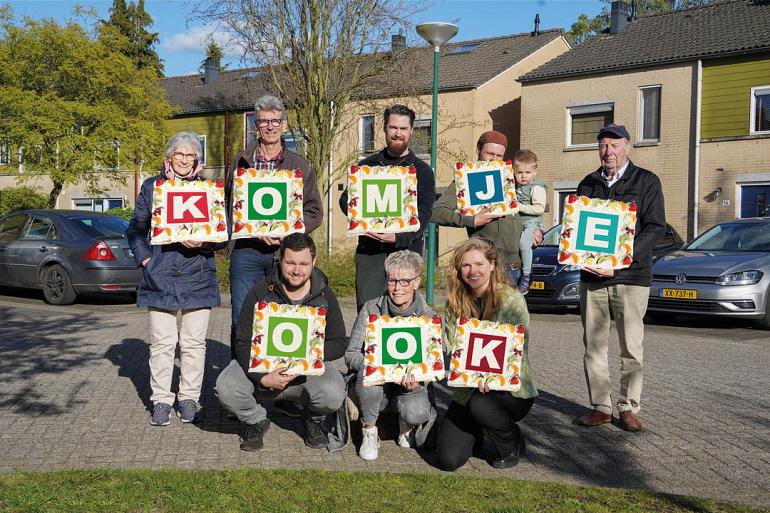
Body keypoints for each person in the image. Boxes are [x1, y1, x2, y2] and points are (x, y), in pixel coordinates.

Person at [215, 233, 347, 451]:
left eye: (303, 263)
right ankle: (255, 420)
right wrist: (262, 377)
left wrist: (304, 360)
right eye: (291, 263)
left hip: (305, 374)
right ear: (280, 260)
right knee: (225, 386)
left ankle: (313, 420)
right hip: (265, 371)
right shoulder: (259, 292)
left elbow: (339, 342)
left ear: (313, 262)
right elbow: (242, 342)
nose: (296, 270)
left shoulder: (325, 295)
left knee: (334, 390)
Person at [574, 123, 665, 432]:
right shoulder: (587, 184)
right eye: (603, 145)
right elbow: (575, 229)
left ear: (627, 147)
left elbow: (655, 228)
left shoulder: (647, 182)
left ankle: (627, 407)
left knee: (631, 347)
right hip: (592, 278)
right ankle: (600, 406)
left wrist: (619, 262)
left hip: (631, 277)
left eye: (614, 145)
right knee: (593, 346)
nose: (608, 150)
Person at [127, 131, 222, 426]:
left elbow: (222, 233)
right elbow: (135, 230)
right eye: (178, 154)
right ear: (169, 158)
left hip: (199, 274)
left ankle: (189, 397)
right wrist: (147, 260)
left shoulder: (209, 189)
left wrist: (205, 243)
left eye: (190, 155)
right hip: (160, 274)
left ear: (198, 159)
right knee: (162, 343)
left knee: (194, 344)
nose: (184, 159)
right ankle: (160, 400)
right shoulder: (152, 187)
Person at [226, 94, 323, 357]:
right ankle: (243, 381)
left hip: (286, 254)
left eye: (275, 121)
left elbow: (314, 211)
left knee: (287, 318)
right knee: (242, 317)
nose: (270, 126)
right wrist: (250, 231)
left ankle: (285, 385)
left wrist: (289, 233)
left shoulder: (300, 166)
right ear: (255, 126)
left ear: (284, 124)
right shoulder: (241, 162)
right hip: (247, 253)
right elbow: (227, 207)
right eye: (264, 121)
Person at [436, 238, 537, 471]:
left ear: (492, 265)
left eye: (479, 264)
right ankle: (477, 434)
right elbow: (452, 348)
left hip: (510, 391)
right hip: (468, 389)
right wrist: (472, 374)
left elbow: (516, 349)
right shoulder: (455, 303)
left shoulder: (511, 300)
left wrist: (489, 376)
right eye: (466, 266)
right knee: (447, 459)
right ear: (459, 270)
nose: (473, 271)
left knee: (481, 405)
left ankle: (513, 443)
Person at [339, 104, 435, 311]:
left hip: (406, 252)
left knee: (402, 315)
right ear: (384, 128)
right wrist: (361, 218)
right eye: (393, 127)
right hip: (370, 253)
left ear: (411, 130)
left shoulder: (422, 171)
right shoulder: (366, 167)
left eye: (403, 128)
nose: (398, 133)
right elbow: (344, 200)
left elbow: (425, 213)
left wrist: (398, 237)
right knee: (368, 312)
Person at [345, 250, 438, 461]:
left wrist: (418, 378)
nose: (397, 288)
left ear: (417, 282)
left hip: (409, 385)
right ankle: (369, 430)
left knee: (416, 409)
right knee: (366, 376)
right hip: (377, 384)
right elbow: (350, 355)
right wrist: (374, 363)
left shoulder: (429, 316)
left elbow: (434, 364)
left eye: (405, 281)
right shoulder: (371, 309)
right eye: (392, 280)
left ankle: (407, 424)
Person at [431, 131, 540, 287]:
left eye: (499, 155)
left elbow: (524, 213)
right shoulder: (467, 179)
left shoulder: (511, 177)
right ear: (478, 150)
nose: (494, 159)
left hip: (517, 267)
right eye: (490, 153)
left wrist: (534, 232)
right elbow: (436, 211)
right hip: (488, 266)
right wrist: (472, 220)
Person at [513, 149, 546, 294]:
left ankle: (527, 276)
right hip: (519, 223)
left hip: (531, 223)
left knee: (523, 243)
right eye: (519, 172)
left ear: (535, 172)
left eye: (527, 172)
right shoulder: (513, 186)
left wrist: (519, 206)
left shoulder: (536, 188)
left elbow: (539, 208)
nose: (523, 176)